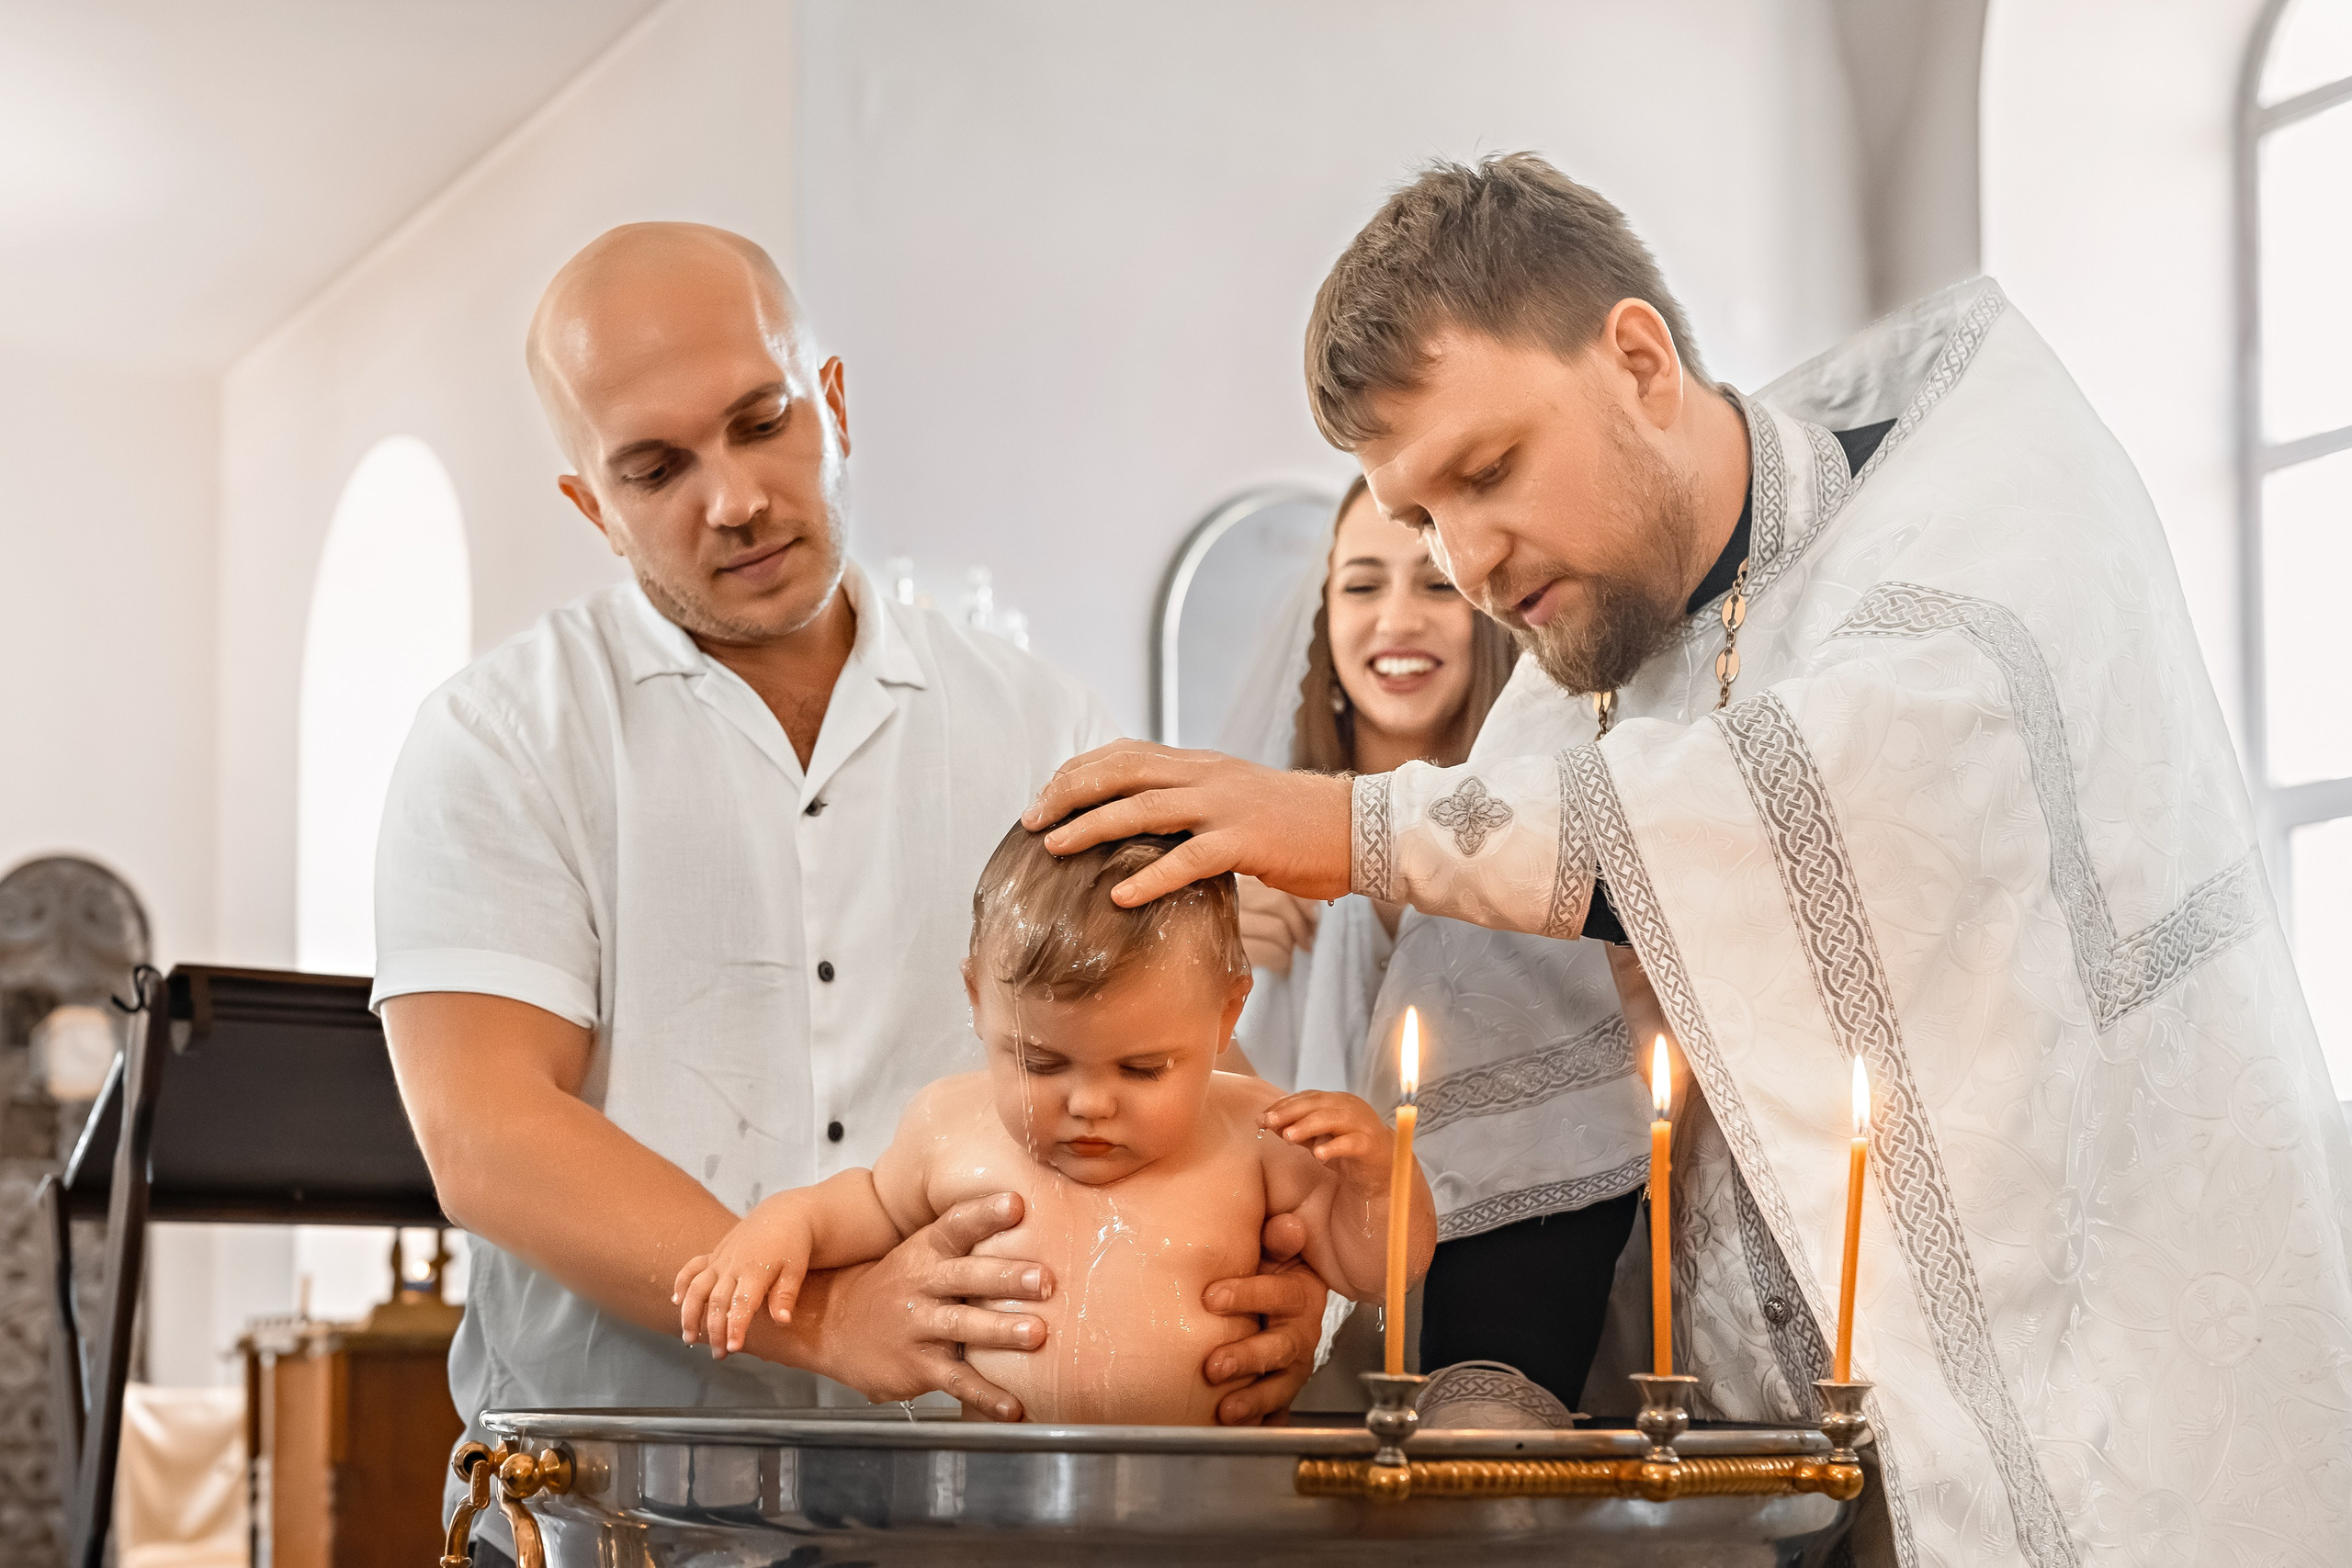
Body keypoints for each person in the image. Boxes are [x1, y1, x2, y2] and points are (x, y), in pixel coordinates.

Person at [1027, 154, 2352, 1564]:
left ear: (1640, 360)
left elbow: (1866, 786)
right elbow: (1520, 1144)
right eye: (1419, 518)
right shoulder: (1556, 695)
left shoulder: (1980, 500)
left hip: (2102, 1423)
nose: (1468, 563)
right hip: (1762, 1491)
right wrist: (1491, 1407)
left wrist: (1348, 827)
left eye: (1487, 472)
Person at [374, 224, 1329, 1522]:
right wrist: (826, 1313)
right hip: (617, 1510)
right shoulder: (498, 734)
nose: (735, 497)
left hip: (974, 1517)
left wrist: (1285, 1277)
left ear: (830, 403)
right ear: (592, 506)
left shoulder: (1048, 726)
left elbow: (1186, 1057)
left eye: (761, 421)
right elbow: (489, 1133)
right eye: (656, 468)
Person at [671, 821, 1433, 1424]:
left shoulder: (1257, 1130)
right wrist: (785, 1223)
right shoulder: (950, 1124)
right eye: (1041, 1063)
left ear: (1227, 1011)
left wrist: (1376, 1183)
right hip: (996, 1507)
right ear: (976, 999)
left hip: (1205, 1510)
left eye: (1142, 1069)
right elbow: (867, 1204)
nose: (1090, 1103)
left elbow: (1378, 1272)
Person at [1222, 475, 1515, 1098]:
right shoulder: (1245, 859)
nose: (1398, 620)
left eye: (1438, 584)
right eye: (1361, 585)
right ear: (1325, 617)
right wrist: (1201, 954)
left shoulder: (1540, 836)